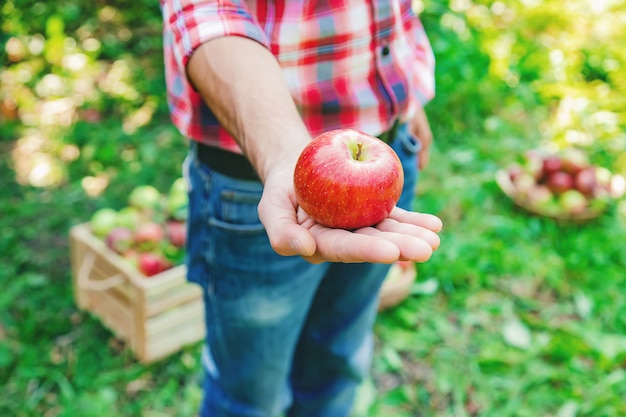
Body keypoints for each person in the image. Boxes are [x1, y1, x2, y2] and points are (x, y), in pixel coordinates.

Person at [160, 1, 442, 416]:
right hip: (259, 175)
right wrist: (281, 157)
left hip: (388, 154)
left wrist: (406, 98)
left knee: (338, 362)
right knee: (250, 396)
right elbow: (206, 11)